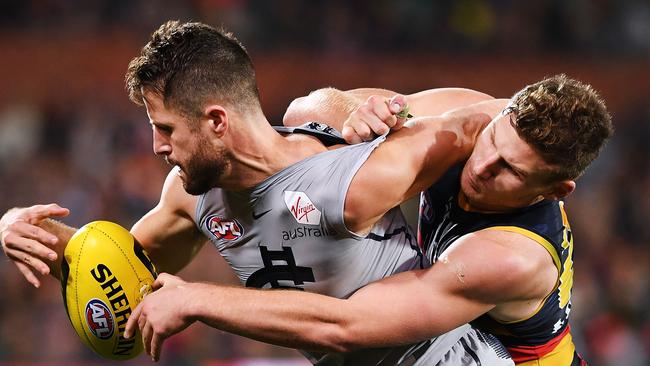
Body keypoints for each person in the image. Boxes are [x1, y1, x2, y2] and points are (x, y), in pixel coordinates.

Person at [0, 21, 513, 365]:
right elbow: (120, 272)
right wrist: (25, 228)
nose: (155, 147)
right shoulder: (190, 195)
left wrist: (394, 110)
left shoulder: (343, 173)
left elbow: (496, 116)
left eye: (166, 129)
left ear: (216, 121)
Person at [119, 75, 613, 365]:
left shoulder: (511, 258)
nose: (483, 166)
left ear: (555, 190)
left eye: (510, 170)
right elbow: (318, 109)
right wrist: (367, 115)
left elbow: (347, 326)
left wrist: (200, 298)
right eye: (494, 141)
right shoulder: (475, 120)